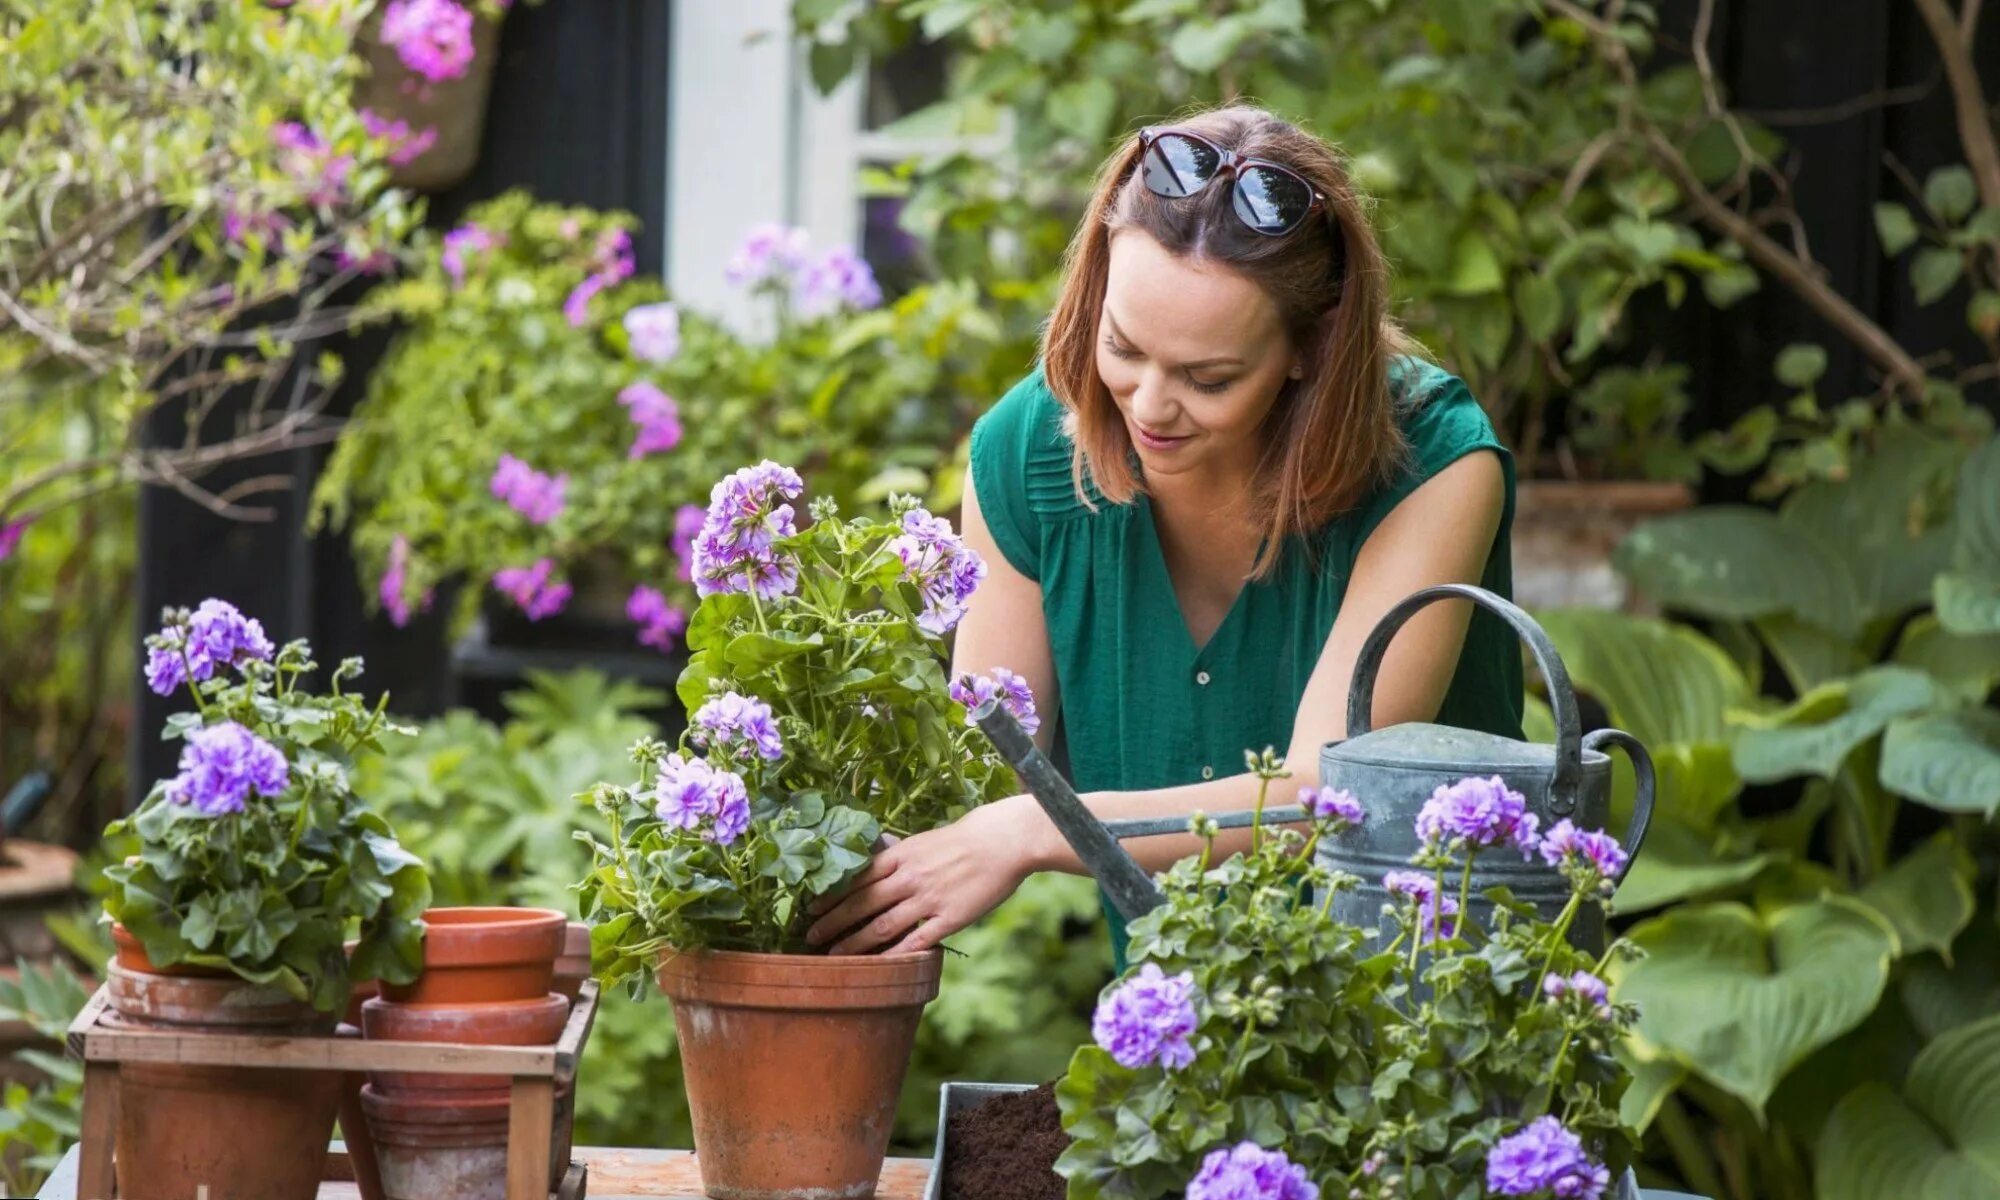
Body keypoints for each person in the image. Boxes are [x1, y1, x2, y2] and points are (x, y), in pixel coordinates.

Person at [806, 105, 1523, 970]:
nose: (1147, 404)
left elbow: (1321, 798)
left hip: (1428, 1015)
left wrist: (1035, 829)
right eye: (1123, 346)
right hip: (1173, 1036)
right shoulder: (1026, 451)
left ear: (1313, 348)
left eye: (1208, 377)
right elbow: (976, 767)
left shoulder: (1433, 463)